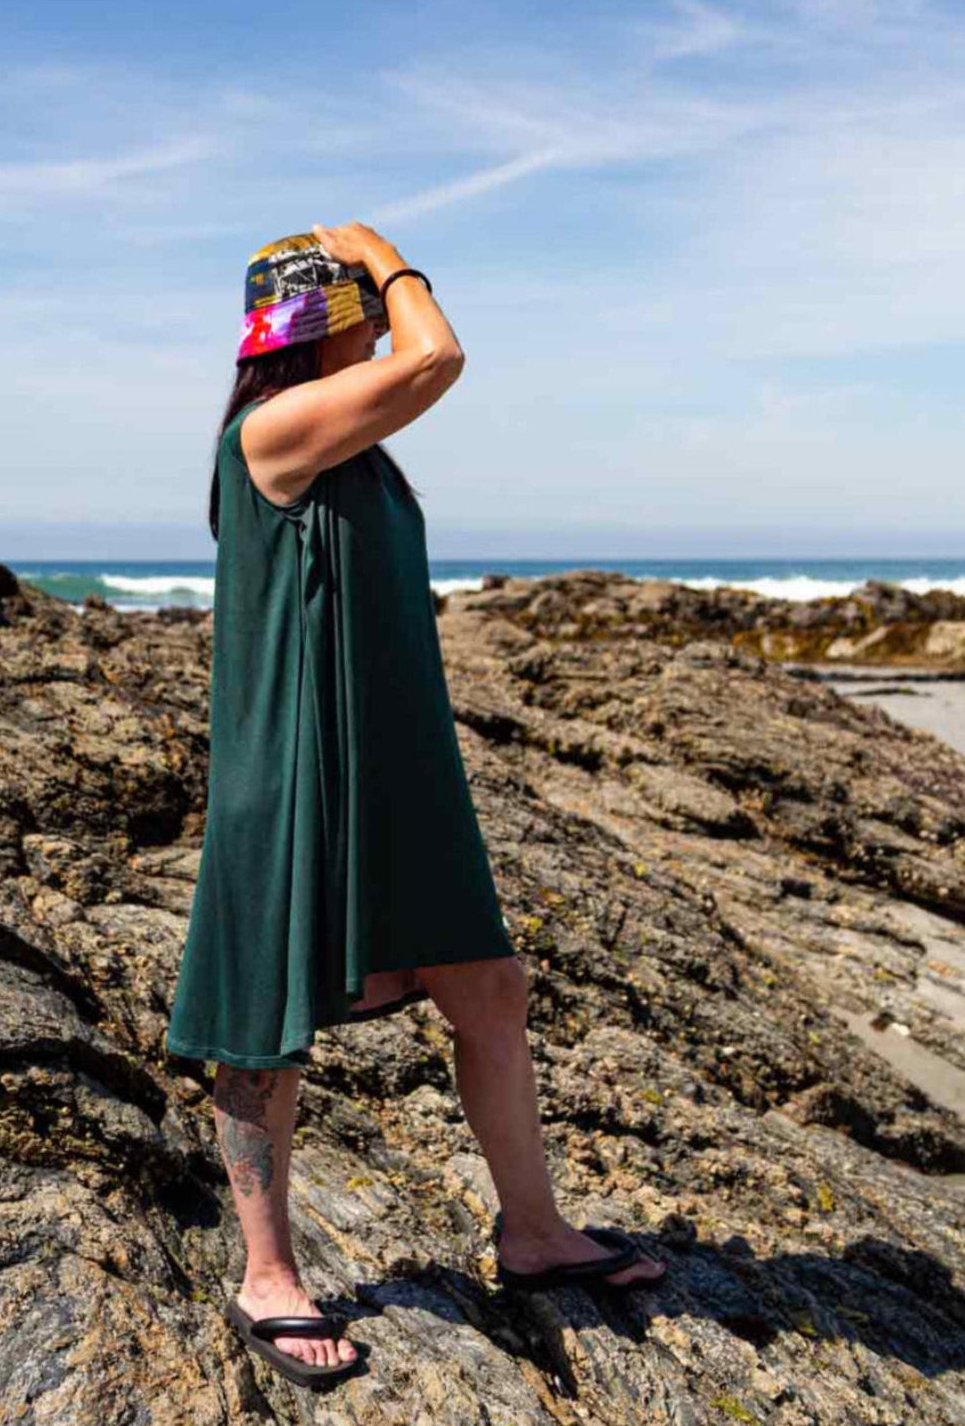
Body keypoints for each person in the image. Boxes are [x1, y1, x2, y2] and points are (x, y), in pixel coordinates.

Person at [167, 223, 667, 1386]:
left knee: (486, 984)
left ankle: (533, 1235)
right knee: (261, 1019)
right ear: (319, 320)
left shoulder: (356, 439)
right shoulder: (275, 428)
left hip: (391, 757)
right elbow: (437, 357)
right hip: (297, 762)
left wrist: (374, 283)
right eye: (357, 303)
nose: (381, 318)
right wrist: (393, 258)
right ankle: (265, 1275)